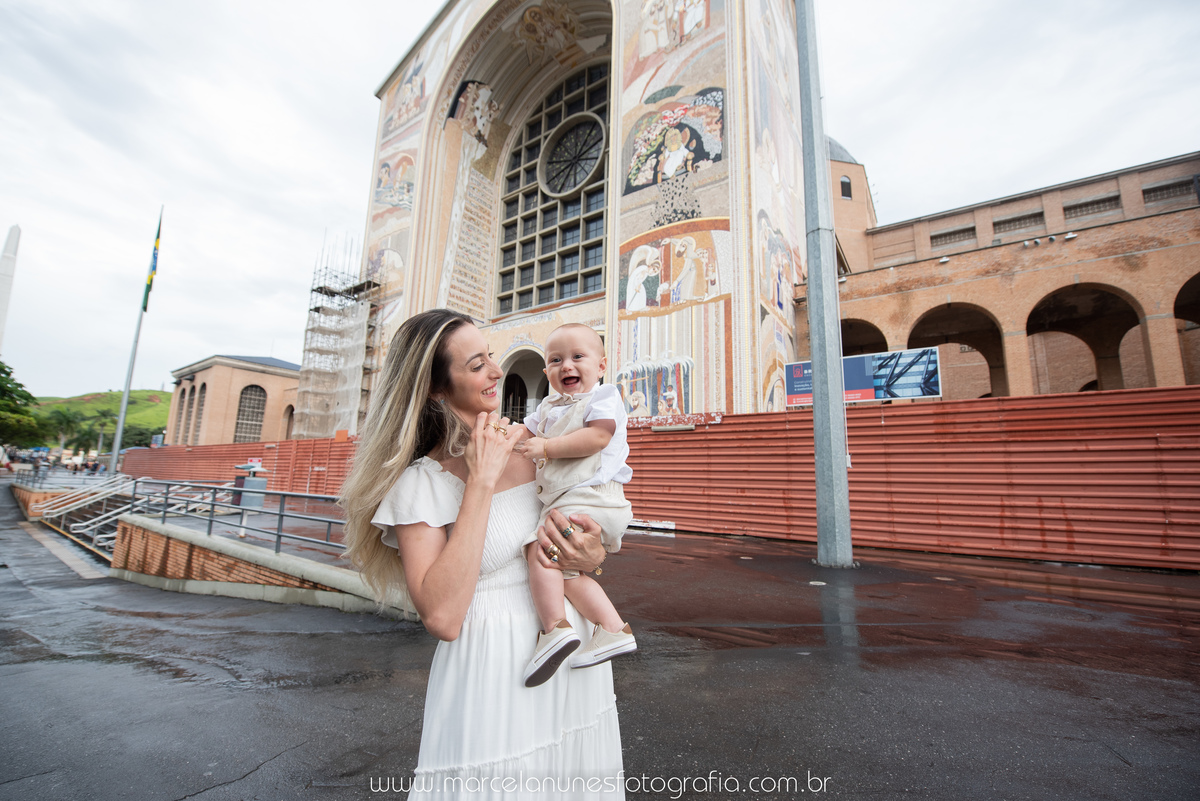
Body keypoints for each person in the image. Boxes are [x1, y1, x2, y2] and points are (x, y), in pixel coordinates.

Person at [340, 309, 624, 799]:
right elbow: (443, 617)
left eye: (491, 357)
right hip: (497, 680)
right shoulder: (421, 483)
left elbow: (581, 544)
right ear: (435, 389)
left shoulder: (537, 447)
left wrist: (591, 555)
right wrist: (482, 480)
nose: (496, 371)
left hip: (575, 666)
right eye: (476, 365)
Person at [514, 324, 636, 688]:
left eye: (577, 357)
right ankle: (612, 627)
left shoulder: (604, 397)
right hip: (575, 498)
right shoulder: (547, 408)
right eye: (555, 360)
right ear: (546, 372)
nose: (566, 365)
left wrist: (547, 448)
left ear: (600, 366)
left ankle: (554, 628)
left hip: (595, 497)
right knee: (566, 573)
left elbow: (598, 436)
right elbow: (524, 435)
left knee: (541, 549)